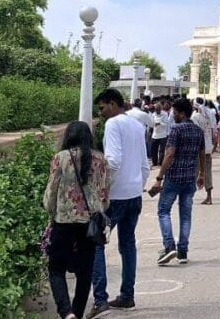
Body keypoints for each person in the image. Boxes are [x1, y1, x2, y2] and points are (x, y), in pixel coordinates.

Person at [89, 89, 150, 318]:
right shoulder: (136, 124)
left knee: (96, 243)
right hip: (134, 194)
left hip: (115, 197)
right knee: (127, 245)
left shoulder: (113, 124)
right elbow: (144, 164)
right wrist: (137, 185)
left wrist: (103, 190)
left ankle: (100, 299)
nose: (101, 113)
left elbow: (112, 161)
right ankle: (127, 295)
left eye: (103, 108)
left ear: (113, 104)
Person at [43, 121, 109, 319]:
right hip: (90, 224)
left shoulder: (61, 158)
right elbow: (104, 196)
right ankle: (77, 314)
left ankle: (66, 312)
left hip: (64, 221)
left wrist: (50, 209)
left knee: (56, 268)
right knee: (84, 271)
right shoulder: (100, 159)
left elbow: (51, 191)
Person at [149, 98, 205, 265]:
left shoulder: (176, 130)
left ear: (181, 113)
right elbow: (202, 153)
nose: (173, 115)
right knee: (185, 215)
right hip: (189, 179)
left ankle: (169, 246)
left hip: (173, 178)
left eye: (174, 112)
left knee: (163, 211)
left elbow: (169, 154)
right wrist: (202, 173)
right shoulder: (197, 130)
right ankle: (182, 251)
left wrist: (159, 178)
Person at [191, 96, 216, 205]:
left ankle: (189, 196)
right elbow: (212, 130)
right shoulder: (209, 114)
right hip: (208, 147)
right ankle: (209, 197)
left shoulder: (195, 117)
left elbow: (195, 132)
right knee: (207, 172)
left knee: (194, 172)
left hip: (197, 148)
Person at [151, 100, 171, 167]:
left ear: (161, 109)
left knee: (162, 151)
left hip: (162, 135)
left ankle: (160, 163)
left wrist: (159, 123)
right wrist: (154, 124)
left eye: (158, 110)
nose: (157, 112)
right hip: (155, 134)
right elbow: (151, 123)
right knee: (154, 150)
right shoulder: (153, 114)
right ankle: (154, 162)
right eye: (156, 110)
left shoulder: (165, 114)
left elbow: (166, 124)